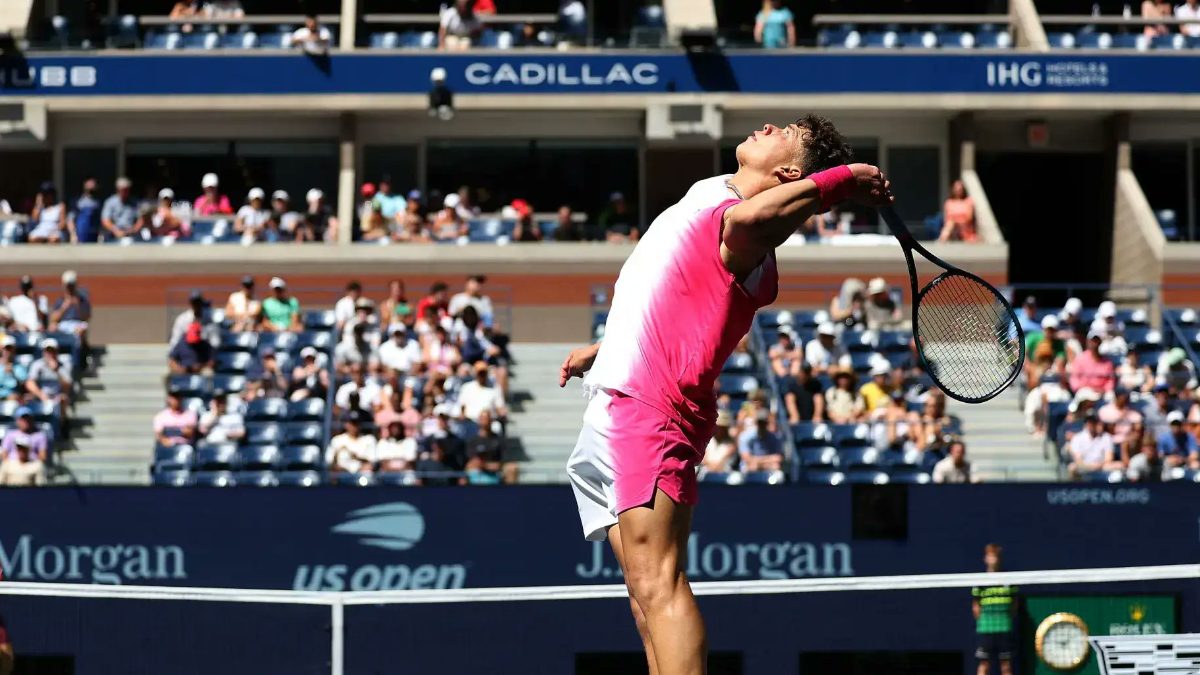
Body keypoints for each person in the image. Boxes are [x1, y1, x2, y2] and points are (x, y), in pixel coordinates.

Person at [558, 115, 888, 675]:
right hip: (618, 391)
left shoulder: (752, 230)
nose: (766, 125)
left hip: (653, 406)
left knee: (658, 579)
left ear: (788, 172)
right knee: (642, 590)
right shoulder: (714, 194)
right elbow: (666, 288)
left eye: (783, 130)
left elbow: (760, 217)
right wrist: (607, 346)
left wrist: (844, 178)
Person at [972, 544, 1017, 675]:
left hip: (1004, 628)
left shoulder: (1009, 581)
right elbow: (976, 606)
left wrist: (1007, 619)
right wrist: (983, 621)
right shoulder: (980, 582)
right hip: (986, 629)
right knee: (984, 664)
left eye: (995, 556)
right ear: (985, 558)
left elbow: (1014, 604)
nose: (993, 559)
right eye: (990, 556)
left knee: (1006, 666)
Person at [1068, 413, 1121, 479]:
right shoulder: (1077, 438)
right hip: (1084, 466)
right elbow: (1078, 460)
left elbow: (1109, 458)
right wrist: (1090, 467)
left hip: (1102, 465)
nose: (1092, 425)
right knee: (1072, 467)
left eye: (1094, 422)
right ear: (1086, 424)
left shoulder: (1106, 437)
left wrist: (1098, 465)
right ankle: (1074, 488)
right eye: (1090, 422)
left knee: (1119, 465)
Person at [27, 339, 72, 408]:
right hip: (41, 395)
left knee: (63, 399)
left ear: (57, 351)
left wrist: (56, 371)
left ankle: (62, 419)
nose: (50, 353)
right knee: (27, 398)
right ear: (43, 352)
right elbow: (30, 383)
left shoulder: (64, 365)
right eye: (48, 351)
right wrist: (40, 394)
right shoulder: (37, 364)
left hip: (57, 396)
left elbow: (67, 385)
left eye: (52, 351)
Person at [1068, 329, 1116, 394]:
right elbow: (1074, 379)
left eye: (1096, 340)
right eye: (1092, 340)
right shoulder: (1080, 358)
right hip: (1085, 391)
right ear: (1088, 341)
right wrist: (1083, 388)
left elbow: (1110, 381)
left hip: (1102, 392)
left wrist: (1104, 390)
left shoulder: (1107, 362)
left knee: (1110, 395)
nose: (1094, 343)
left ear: (1100, 342)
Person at [738, 407, 784, 472]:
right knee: (753, 467)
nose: (762, 425)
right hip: (750, 467)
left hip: (766, 464)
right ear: (756, 423)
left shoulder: (775, 437)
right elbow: (746, 459)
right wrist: (768, 459)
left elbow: (778, 458)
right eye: (760, 423)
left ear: (767, 423)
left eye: (764, 423)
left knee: (775, 466)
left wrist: (759, 461)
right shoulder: (745, 436)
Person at [71, 177, 102, 243]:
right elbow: (70, 219)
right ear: (85, 185)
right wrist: (73, 234)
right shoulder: (77, 201)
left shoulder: (99, 202)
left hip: (94, 235)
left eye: (93, 184)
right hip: (81, 234)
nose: (91, 185)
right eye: (89, 183)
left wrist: (101, 234)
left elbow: (101, 220)